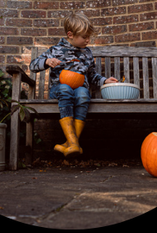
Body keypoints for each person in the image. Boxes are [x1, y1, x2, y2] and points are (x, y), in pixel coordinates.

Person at [29, 12, 118, 157]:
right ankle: (73, 142)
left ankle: (71, 143)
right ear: (70, 34)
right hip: (59, 91)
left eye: (89, 37)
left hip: (79, 91)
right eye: (84, 37)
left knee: (83, 92)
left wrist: (104, 81)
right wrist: (46, 61)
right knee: (65, 88)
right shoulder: (55, 50)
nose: (88, 40)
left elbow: (91, 75)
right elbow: (33, 66)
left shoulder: (87, 53)